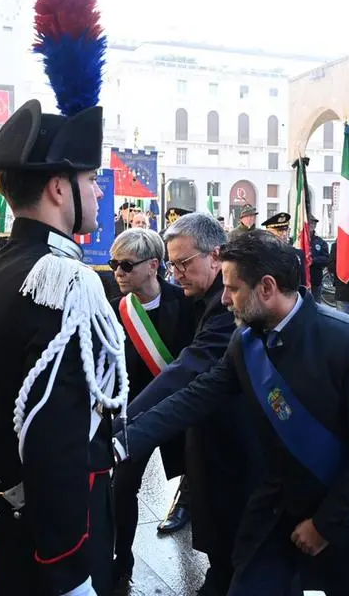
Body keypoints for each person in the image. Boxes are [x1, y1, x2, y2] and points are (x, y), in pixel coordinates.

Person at [112, 230, 349, 596]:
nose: (225, 299)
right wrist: (121, 441)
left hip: (347, 513)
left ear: (266, 287)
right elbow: (197, 395)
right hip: (275, 511)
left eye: (232, 289)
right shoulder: (246, 341)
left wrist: (324, 525)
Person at [0, 6, 127, 591]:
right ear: (59, 187)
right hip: (56, 545)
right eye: (89, 182)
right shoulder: (66, 282)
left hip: (13, 530)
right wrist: (70, 568)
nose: (97, 192)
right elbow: (57, 438)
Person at [116, 212, 263, 596]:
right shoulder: (198, 295)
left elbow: (188, 367)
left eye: (183, 263)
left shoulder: (225, 303)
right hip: (204, 432)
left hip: (235, 441)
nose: (175, 272)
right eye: (171, 264)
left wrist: (126, 423)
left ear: (215, 256)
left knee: (235, 543)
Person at [106, 228, 196, 589]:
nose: (118, 272)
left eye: (127, 265)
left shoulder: (186, 302)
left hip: (179, 411)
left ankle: (212, 558)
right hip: (136, 416)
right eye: (115, 264)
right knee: (122, 486)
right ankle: (121, 557)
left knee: (201, 480)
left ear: (154, 266)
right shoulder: (117, 310)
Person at [261, 212, 307, 288]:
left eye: (286, 230)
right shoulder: (262, 254)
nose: (284, 234)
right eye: (280, 230)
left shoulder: (297, 254)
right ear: (269, 232)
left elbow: (302, 284)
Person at [307, 215, 330, 301]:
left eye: (314, 223)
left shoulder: (320, 242)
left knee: (316, 304)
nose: (312, 225)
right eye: (310, 223)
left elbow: (327, 259)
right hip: (301, 281)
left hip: (315, 279)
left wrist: (313, 260)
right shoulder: (298, 241)